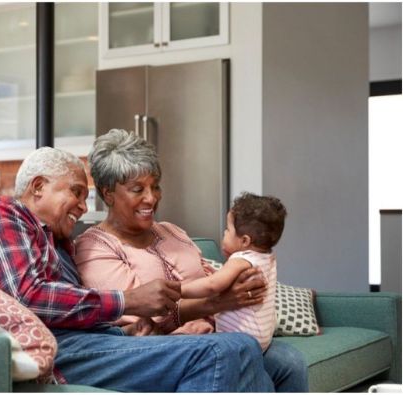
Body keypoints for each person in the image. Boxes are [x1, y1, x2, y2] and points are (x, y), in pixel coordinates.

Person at [0, 146, 275, 392]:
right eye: (77, 192)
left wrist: (127, 329)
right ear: (39, 186)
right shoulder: (1, 215)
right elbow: (29, 296)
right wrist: (128, 301)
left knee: (251, 353)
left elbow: (77, 311)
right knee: (225, 351)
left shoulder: (57, 240)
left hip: (92, 342)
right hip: (56, 351)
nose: (84, 207)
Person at [75, 129, 307, 391]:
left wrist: (244, 284)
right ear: (108, 194)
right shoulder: (94, 248)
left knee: (290, 361)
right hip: (169, 349)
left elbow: (211, 277)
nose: (151, 198)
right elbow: (139, 315)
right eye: (137, 189)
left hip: (216, 332)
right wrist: (217, 303)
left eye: (156, 186)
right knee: (249, 365)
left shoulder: (173, 232)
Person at [180, 192, 286, 352]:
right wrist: (220, 271)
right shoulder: (267, 258)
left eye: (227, 230)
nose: (224, 233)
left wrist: (178, 290)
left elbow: (212, 286)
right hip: (262, 339)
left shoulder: (241, 258)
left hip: (239, 340)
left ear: (245, 241)